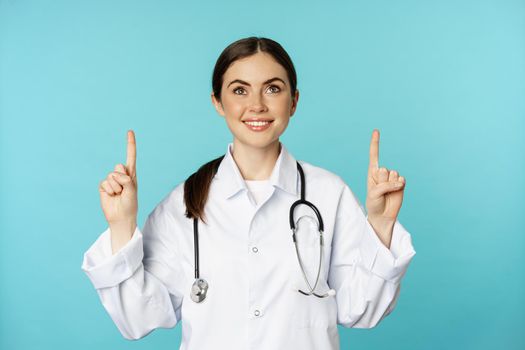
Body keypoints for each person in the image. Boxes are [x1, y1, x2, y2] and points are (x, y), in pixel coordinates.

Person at [81, 36, 416, 350]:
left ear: (294, 101)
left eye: (272, 88)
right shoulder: (185, 202)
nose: (256, 105)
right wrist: (121, 226)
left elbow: (360, 311)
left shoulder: (329, 194)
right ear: (218, 102)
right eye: (240, 90)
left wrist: (381, 224)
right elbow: (138, 319)